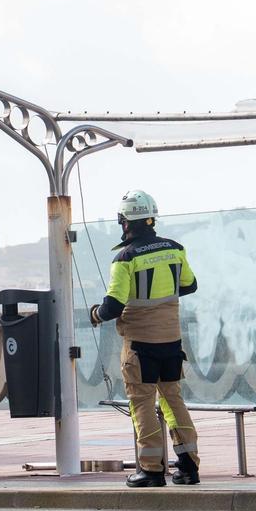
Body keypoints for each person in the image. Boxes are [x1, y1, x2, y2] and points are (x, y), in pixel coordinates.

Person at [89, 189, 201, 488]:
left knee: (142, 405)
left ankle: (151, 469)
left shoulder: (125, 258)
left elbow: (113, 306)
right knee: (173, 401)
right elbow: (189, 286)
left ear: (125, 221)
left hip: (139, 346)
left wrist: (96, 314)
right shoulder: (175, 249)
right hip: (171, 343)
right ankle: (189, 467)